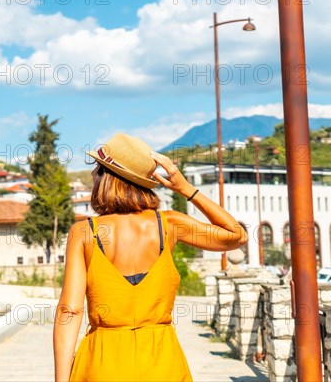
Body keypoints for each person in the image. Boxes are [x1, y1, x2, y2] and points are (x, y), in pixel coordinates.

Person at [53, 133, 248, 382]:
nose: (92, 176)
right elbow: (236, 236)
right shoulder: (170, 224)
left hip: (102, 363)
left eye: (98, 169)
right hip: (162, 363)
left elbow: (69, 312)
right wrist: (185, 188)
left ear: (108, 178)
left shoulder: (82, 233)